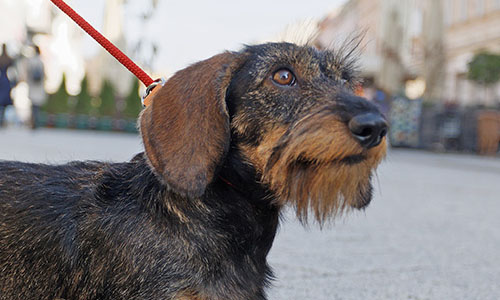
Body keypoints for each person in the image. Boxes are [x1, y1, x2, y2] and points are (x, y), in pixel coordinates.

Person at [26, 46, 47, 129]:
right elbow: (44, 75)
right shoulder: (41, 61)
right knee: (37, 107)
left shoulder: (31, 61)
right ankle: (36, 122)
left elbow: (28, 73)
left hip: (33, 86)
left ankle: (33, 122)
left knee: (33, 106)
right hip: (39, 87)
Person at [0, 44, 14, 127]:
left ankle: (1, 119)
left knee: (2, 101)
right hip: (5, 80)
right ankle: (2, 119)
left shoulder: (1, 58)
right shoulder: (9, 58)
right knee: (4, 101)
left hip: (2, 80)